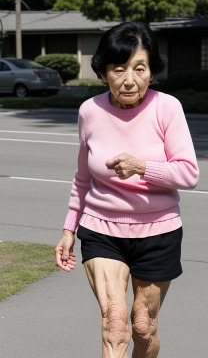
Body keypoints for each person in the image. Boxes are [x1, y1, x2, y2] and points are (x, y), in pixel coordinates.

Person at [55, 21, 199, 358]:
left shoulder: (167, 108)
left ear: (151, 72)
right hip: (101, 229)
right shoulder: (90, 111)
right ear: (104, 74)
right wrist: (67, 230)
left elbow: (189, 173)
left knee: (142, 326)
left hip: (159, 232)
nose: (130, 79)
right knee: (115, 324)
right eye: (119, 69)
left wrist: (142, 167)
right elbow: (82, 178)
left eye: (139, 68)